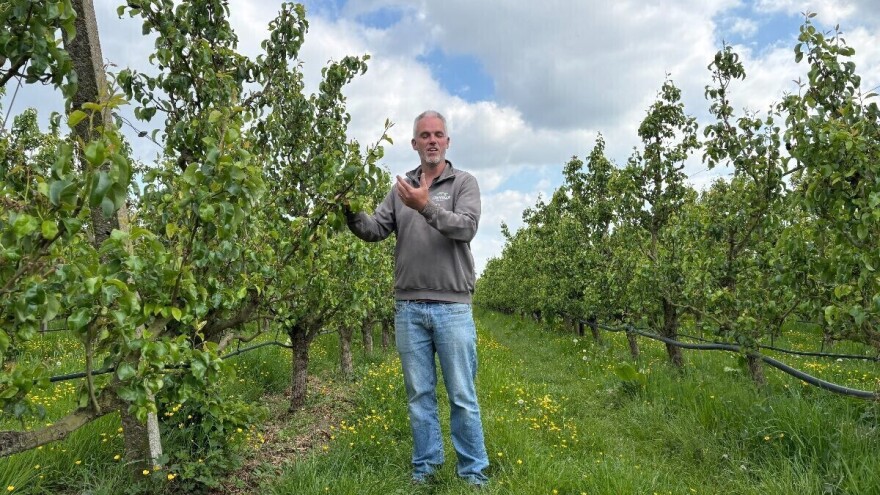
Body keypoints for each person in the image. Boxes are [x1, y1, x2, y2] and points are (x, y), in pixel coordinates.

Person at [344, 110, 489, 486]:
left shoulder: (464, 183)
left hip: (453, 306)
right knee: (419, 395)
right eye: (425, 135)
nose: (432, 140)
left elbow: (466, 227)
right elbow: (376, 229)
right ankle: (426, 469)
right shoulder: (401, 188)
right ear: (413, 143)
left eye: (438, 134)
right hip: (409, 306)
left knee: (462, 395)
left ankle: (473, 473)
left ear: (448, 142)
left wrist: (425, 206)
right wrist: (349, 211)